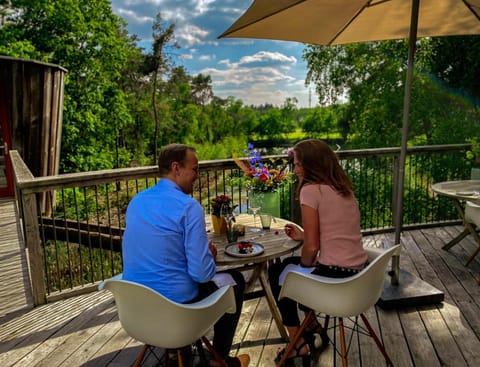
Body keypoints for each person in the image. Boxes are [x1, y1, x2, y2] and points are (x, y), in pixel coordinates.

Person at [122, 143, 250, 367]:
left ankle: (176, 350)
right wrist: (208, 255)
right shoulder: (188, 207)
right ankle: (218, 359)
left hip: (136, 309)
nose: (197, 175)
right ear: (176, 168)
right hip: (178, 313)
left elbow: (161, 249)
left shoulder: (137, 201)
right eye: (195, 169)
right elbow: (201, 274)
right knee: (235, 280)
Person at [268, 139, 368, 366]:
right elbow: (333, 232)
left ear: (311, 165)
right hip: (359, 275)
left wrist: (304, 262)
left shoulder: (311, 191)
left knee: (277, 273)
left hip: (335, 279)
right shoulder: (343, 189)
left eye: (298, 165)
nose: (294, 170)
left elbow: (312, 248)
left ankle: (297, 343)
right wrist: (304, 236)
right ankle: (311, 324)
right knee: (292, 268)